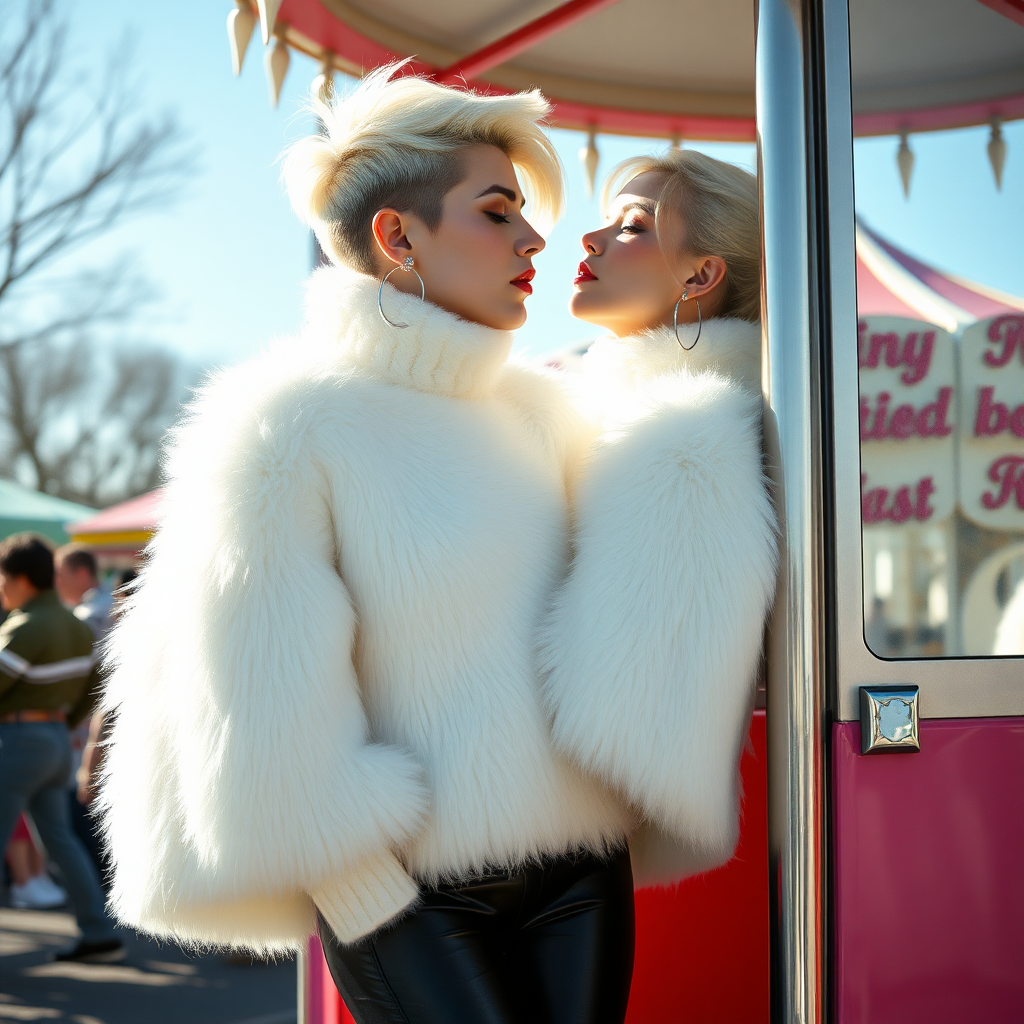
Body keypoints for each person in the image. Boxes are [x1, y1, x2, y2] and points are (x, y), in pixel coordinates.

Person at [99, 67, 634, 1023]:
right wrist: (363, 891)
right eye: (497, 210)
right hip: (412, 898)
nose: (534, 238)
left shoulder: (546, 414)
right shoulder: (285, 425)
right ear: (397, 237)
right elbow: (258, 700)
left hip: (582, 874)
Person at [542, 149, 778, 888]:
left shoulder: (685, 443)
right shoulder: (617, 422)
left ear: (701, 276)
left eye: (633, 226)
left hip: (551, 854)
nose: (591, 240)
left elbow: (626, 723)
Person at [0, 533, 122, 962]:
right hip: (55, 742)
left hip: (17, 741)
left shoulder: (24, 626)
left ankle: (98, 933)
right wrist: (62, 724)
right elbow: (96, 689)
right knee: (61, 841)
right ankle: (98, 932)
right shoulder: (74, 624)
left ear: (20, 579)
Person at [54, 544, 112, 877]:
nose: (55, 582)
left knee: (86, 808)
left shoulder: (86, 617)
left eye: (60, 574)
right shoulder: (114, 606)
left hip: (90, 727)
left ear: (80, 573)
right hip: (107, 724)